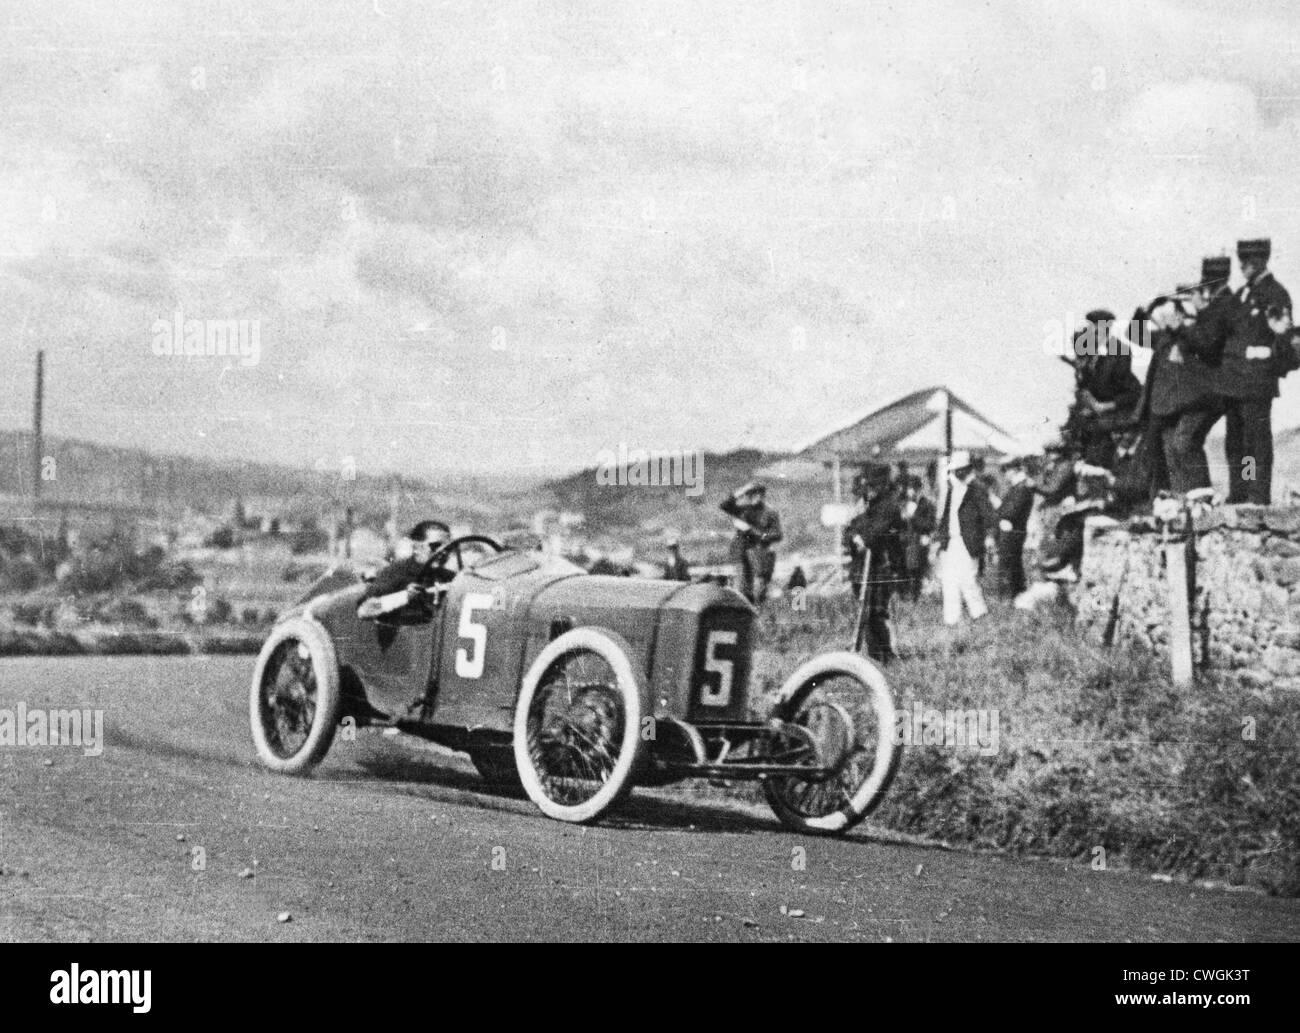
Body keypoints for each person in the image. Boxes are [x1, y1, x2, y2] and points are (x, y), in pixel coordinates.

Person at [1217, 238, 1300, 503]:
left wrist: (1268, 355)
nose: (1244, 266)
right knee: (1236, 441)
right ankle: (1239, 491)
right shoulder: (1242, 294)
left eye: (1249, 262)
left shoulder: (1275, 293)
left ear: (1262, 261)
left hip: (1256, 381)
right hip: (1235, 381)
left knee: (1254, 442)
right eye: (1242, 261)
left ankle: (1256, 493)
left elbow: (1286, 338)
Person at [842, 463, 905, 662]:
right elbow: (850, 530)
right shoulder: (865, 507)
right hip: (861, 566)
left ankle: (884, 654)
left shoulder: (889, 506)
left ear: (881, 486)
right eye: (866, 489)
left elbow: (879, 530)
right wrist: (855, 537)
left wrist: (863, 538)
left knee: (876, 612)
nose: (868, 493)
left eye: (872, 488)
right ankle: (873, 654)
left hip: (880, 566)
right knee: (864, 611)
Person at [1065, 310, 1142, 469]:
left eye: (1092, 326)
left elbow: (1131, 392)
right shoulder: (1090, 351)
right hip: (1096, 419)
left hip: (1117, 417)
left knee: (1102, 462)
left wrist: (1106, 406)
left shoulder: (1119, 350)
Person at [935, 450, 990, 627]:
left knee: (968, 580)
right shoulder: (952, 490)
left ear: (966, 469)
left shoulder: (976, 489)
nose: (955, 474)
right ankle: (952, 619)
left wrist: (988, 537)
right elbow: (945, 516)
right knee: (949, 580)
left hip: (968, 541)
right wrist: (939, 537)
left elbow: (987, 515)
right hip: (951, 541)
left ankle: (979, 615)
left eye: (959, 470)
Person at [720, 481, 783, 604]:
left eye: (759, 494)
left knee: (759, 590)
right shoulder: (743, 510)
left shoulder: (770, 513)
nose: (756, 497)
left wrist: (753, 531)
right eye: (752, 494)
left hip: (758, 554)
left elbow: (777, 534)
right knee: (740, 590)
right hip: (739, 554)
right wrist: (742, 490)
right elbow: (725, 505)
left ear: (763, 496)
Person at [363, 519, 452, 600]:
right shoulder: (395, 573)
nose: (443, 552)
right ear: (416, 547)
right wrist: (404, 596)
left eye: (448, 547)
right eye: (435, 546)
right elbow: (364, 609)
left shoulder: (451, 578)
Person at [995, 456, 1035, 598]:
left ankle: (1009, 597)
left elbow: (1009, 512)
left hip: (1013, 532)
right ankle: (1016, 595)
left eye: (1005, 470)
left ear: (1013, 470)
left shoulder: (1020, 488)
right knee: (1013, 566)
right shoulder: (1019, 488)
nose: (1004, 474)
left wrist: (998, 512)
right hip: (1014, 531)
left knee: (1007, 566)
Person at [900, 475, 936, 601]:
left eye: (913, 488)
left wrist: (913, 517)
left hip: (920, 541)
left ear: (919, 489)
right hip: (908, 542)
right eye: (909, 488)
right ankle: (909, 596)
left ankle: (916, 596)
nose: (910, 492)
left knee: (918, 571)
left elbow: (930, 525)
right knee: (908, 569)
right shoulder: (906, 504)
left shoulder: (927, 504)